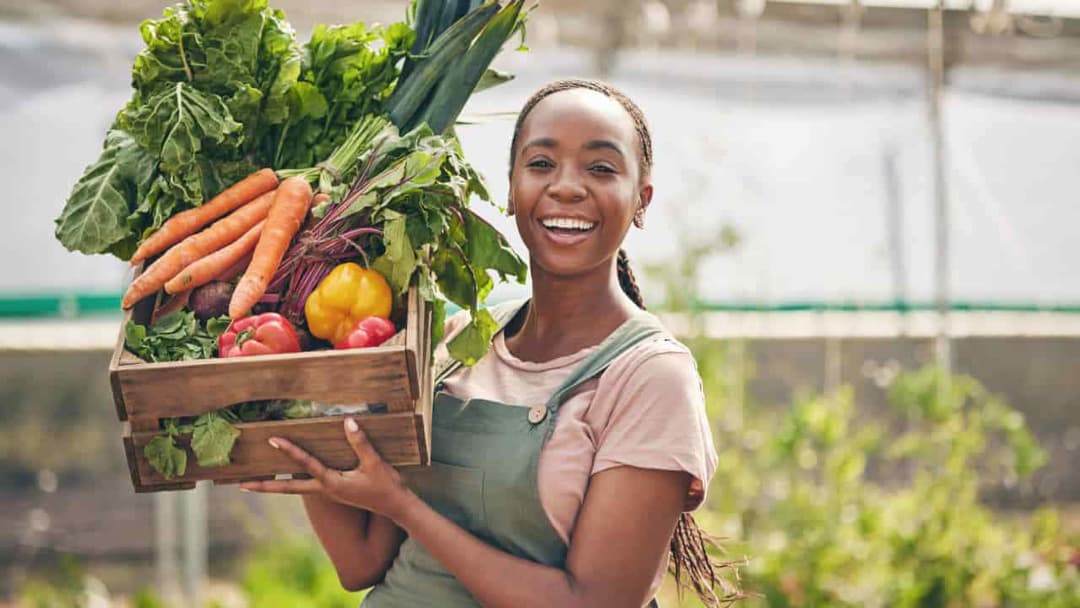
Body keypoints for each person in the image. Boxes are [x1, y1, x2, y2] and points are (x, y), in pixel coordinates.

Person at [241, 79, 730, 607]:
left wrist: (405, 506)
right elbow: (361, 562)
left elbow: (592, 602)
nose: (567, 186)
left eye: (601, 168)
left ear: (641, 199)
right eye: (541, 164)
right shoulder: (458, 344)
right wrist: (295, 401)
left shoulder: (650, 377)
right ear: (511, 189)